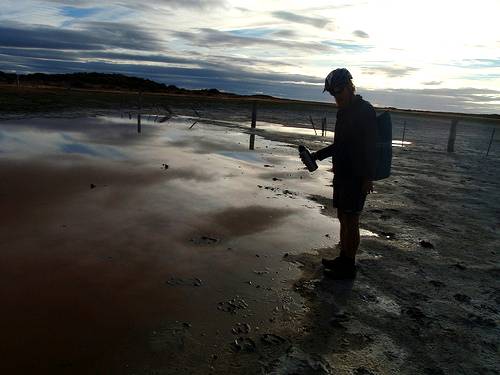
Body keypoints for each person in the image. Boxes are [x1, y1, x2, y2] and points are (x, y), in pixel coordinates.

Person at [311, 68, 377, 279]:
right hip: (342, 173)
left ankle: (349, 265)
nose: (335, 97)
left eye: (337, 92)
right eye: (332, 94)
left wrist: (368, 177)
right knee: (342, 216)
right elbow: (340, 144)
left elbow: (371, 146)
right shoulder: (344, 111)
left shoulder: (364, 110)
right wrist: (317, 156)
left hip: (357, 175)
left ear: (349, 87)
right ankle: (343, 257)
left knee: (352, 219)